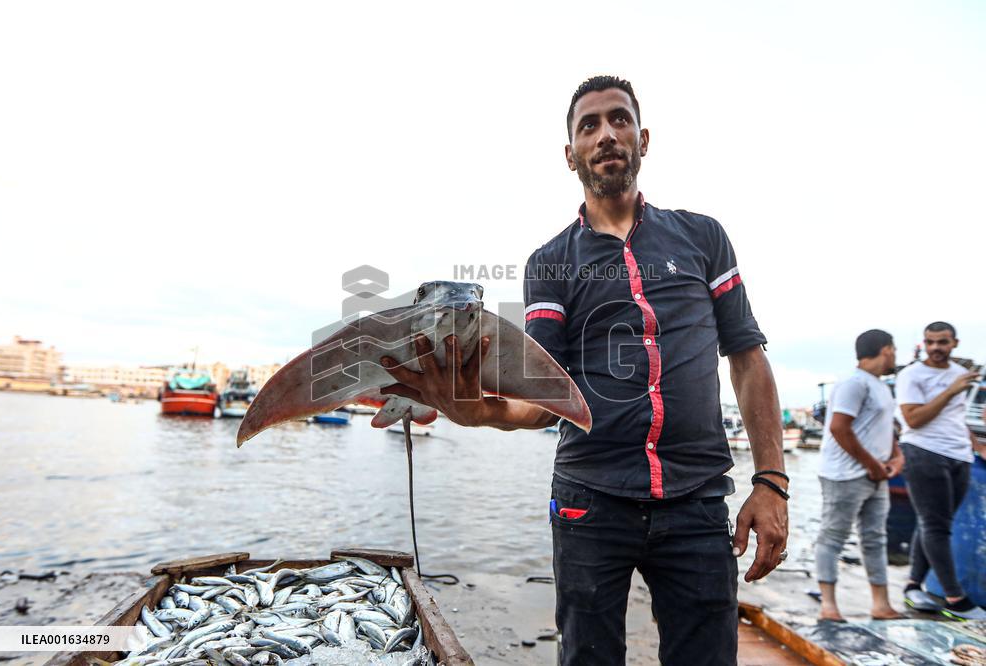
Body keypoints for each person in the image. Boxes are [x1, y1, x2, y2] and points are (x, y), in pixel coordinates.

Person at [379, 75, 789, 665]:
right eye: (588, 126)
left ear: (643, 139)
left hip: (698, 498)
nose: (605, 135)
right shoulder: (550, 263)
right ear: (569, 154)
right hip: (589, 500)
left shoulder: (704, 237)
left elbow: (747, 356)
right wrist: (469, 408)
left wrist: (771, 481)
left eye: (619, 120)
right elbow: (539, 396)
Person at [896, 321, 986, 620]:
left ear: (954, 344)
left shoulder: (961, 375)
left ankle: (912, 585)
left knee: (935, 521)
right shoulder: (912, 374)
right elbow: (914, 420)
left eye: (943, 342)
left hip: (959, 455)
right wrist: (950, 390)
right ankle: (955, 598)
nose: (936, 348)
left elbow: (956, 417)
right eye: (930, 342)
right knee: (937, 526)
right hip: (924, 452)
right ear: (924, 343)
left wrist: (977, 446)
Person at [815, 329, 905, 621]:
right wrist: (871, 463)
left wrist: (896, 454)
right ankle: (828, 606)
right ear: (886, 350)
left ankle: (881, 604)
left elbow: (884, 425)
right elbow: (839, 427)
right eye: (893, 349)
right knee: (833, 537)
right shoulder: (853, 383)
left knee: (875, 538)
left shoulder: (880, 385)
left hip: (874, 475)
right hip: (844, 474)